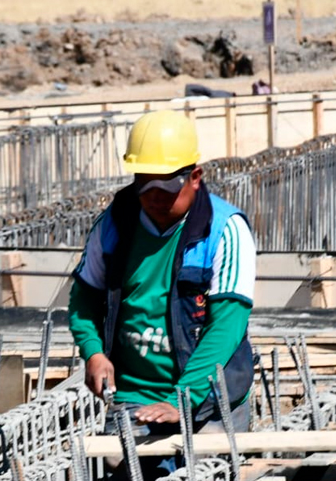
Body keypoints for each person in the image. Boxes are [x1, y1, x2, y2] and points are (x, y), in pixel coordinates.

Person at [69, 109, 257, 460]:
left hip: (210, 403)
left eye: (166, 187)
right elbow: (84, 298)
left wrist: (181, 399)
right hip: (134, 398)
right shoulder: (114, 225)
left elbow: (227, 327)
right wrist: (93, 352)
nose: (154, 196)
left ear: (195, 177)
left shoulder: (225, 230)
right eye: (145, 184)